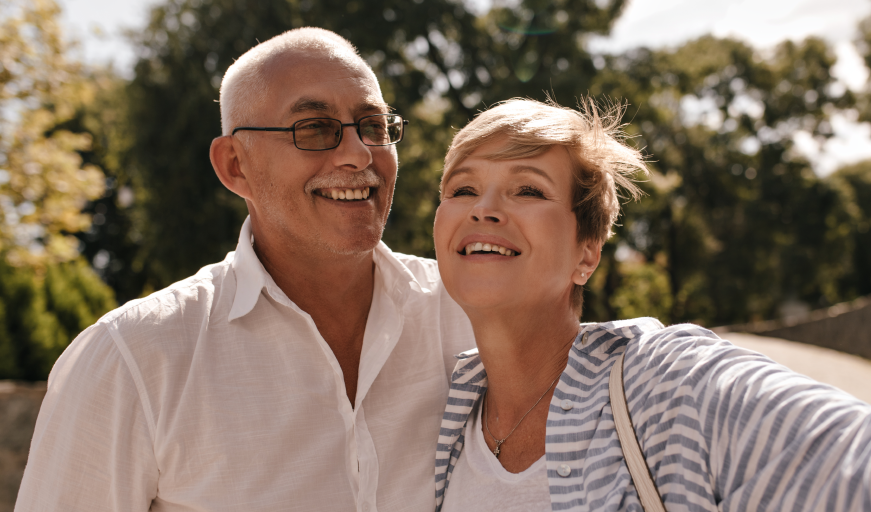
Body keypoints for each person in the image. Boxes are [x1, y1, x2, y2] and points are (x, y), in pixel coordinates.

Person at [15, 28, 474, 512]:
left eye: (374, 126)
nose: (360, 154)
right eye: (315, 128)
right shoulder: (133, 358)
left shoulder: (474, 318)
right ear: (235, 166)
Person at [432, 98, 871, 511]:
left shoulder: (669, 383)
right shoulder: (441, 413)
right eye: (463, 189)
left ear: (586, 252)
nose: (483, 209)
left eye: (528, 190)